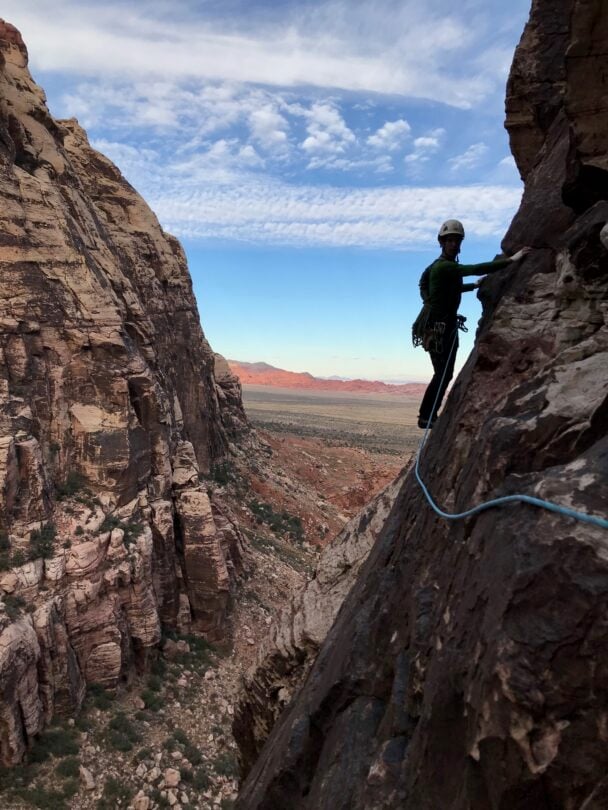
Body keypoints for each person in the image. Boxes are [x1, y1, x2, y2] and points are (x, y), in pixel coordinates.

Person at [414, 219, 530, 429]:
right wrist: (511, 260)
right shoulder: (443, 267)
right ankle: (426, 416)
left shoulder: (436, 267)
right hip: (439, 327)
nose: (454, 244)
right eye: (450, 240)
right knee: (443, 373)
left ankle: (428, 415)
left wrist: (466, 288)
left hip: (439, 324)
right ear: (442, 242)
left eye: (457, 240)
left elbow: (426, 284)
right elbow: (476, 268)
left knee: (443, 373)